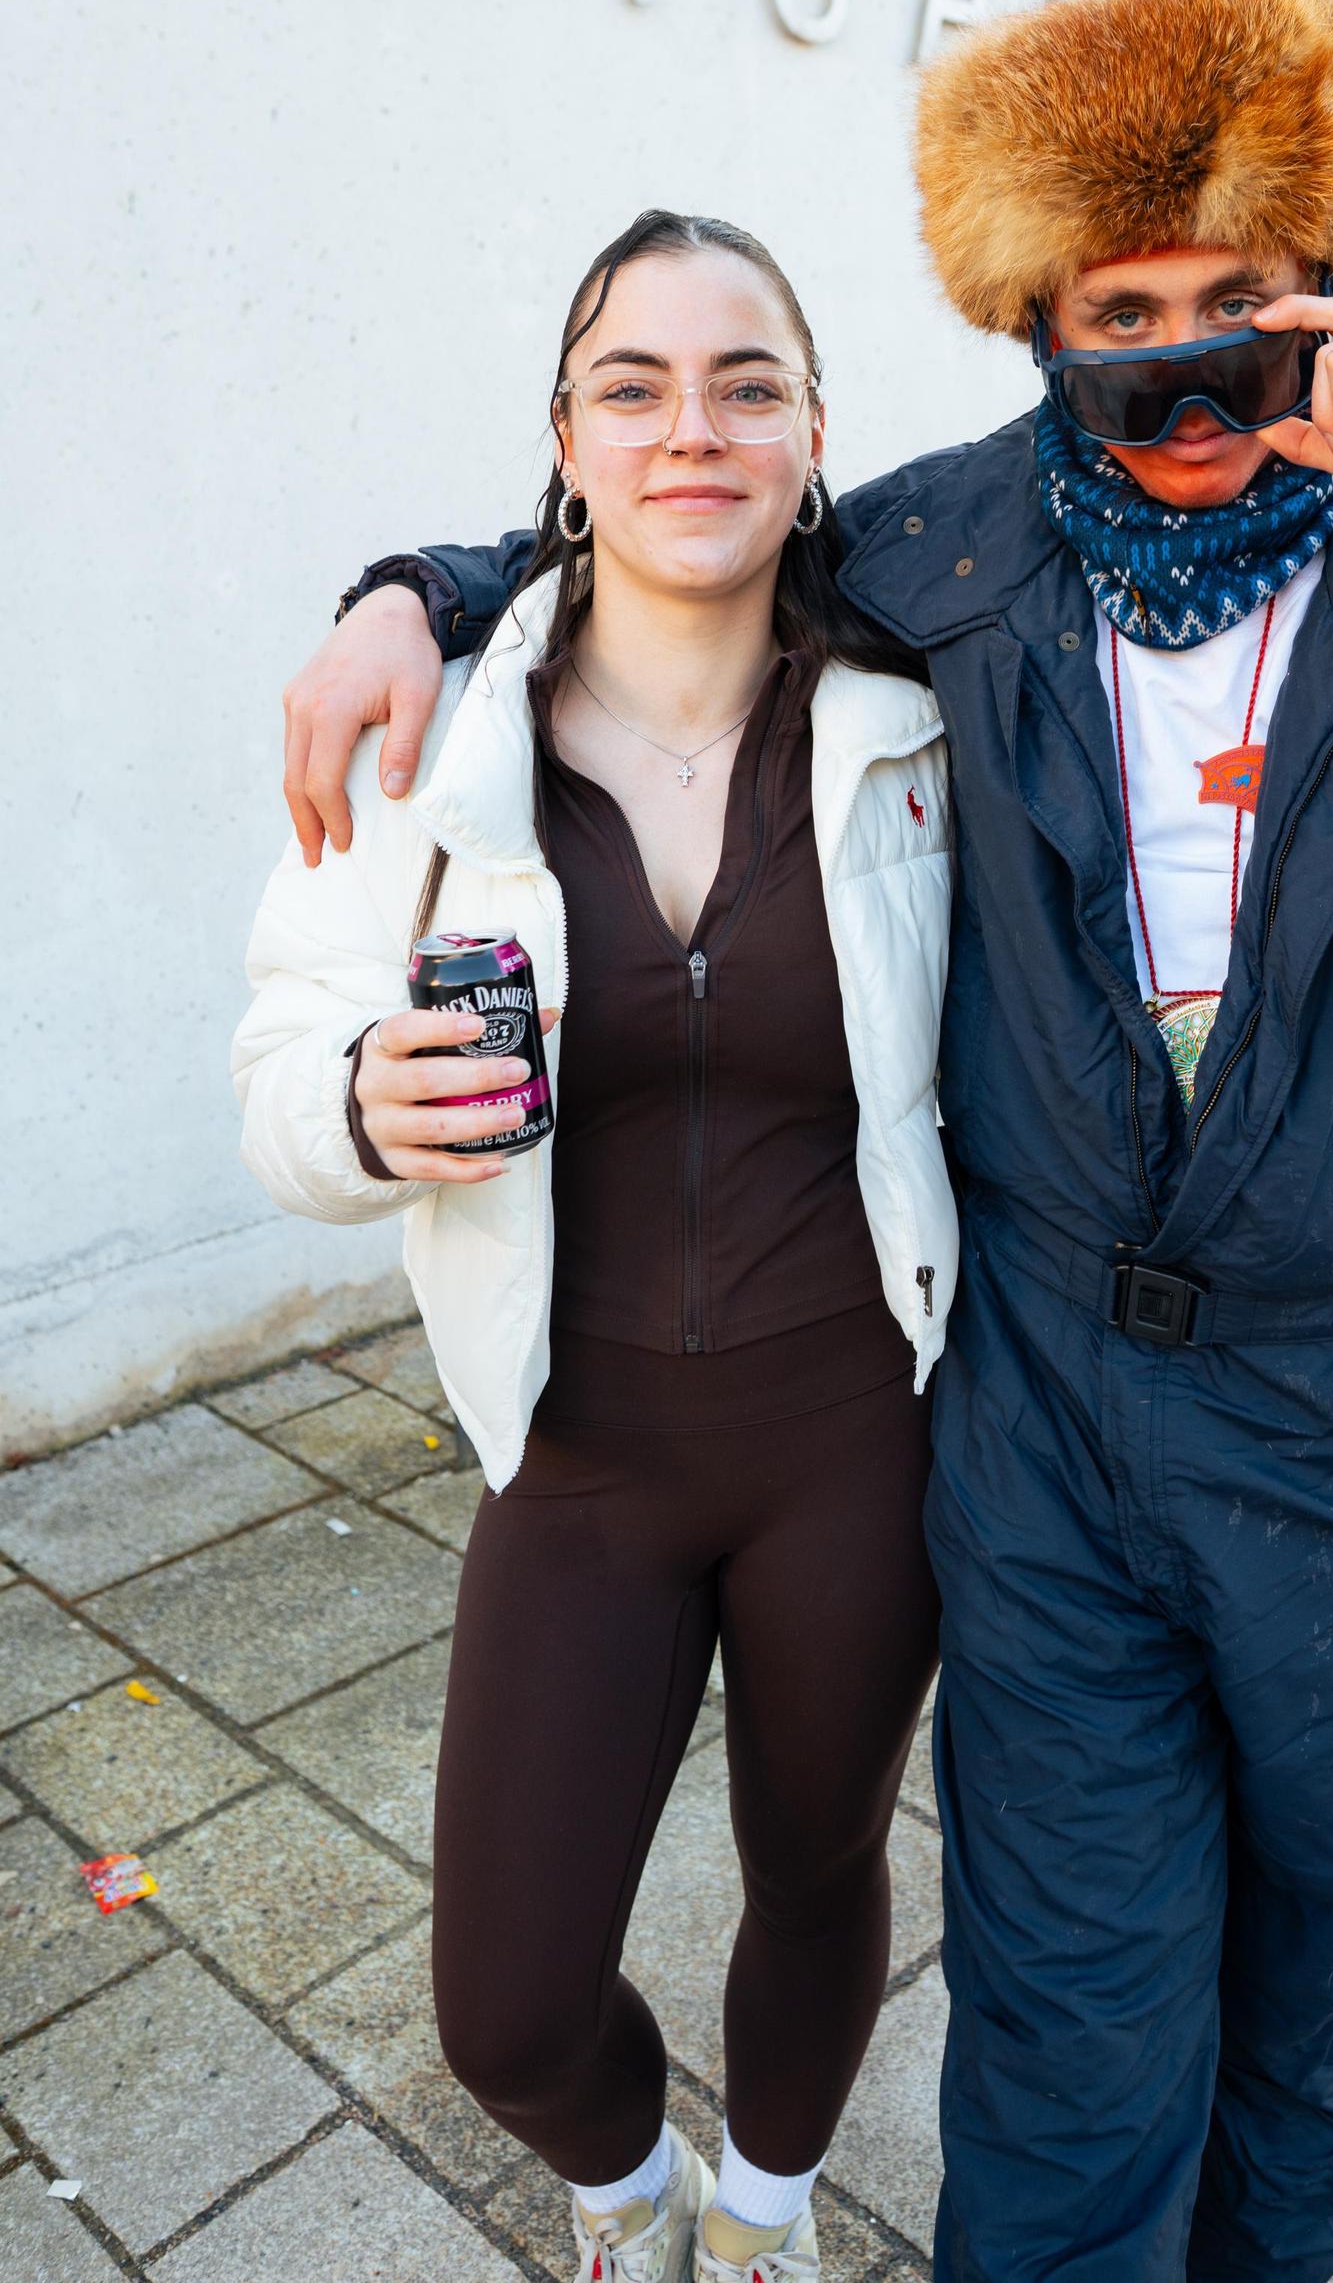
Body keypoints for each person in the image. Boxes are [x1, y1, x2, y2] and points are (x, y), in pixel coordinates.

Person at [280, 0, 1333, 2283]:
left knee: (1303, 2014)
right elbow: (694, 532)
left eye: (1251, 301)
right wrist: (427, 587)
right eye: (1128, 306)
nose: (1193, 361)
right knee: (1073, 2017)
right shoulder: (957, 553)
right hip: (1053, 1424)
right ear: (1038, 315)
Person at [236, 210, 958, 2283]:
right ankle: (632, 2184)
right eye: (632, 386)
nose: (690, 432)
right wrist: (357, 1103)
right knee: (511, 2007)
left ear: (818, 431)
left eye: (747, 384)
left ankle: (762, 2213)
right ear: (563, 436)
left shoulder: (918, 714)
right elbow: (283, 1053)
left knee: (816, 1869)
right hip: (578, 1450)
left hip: (857, 1428)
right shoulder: (431, 739)